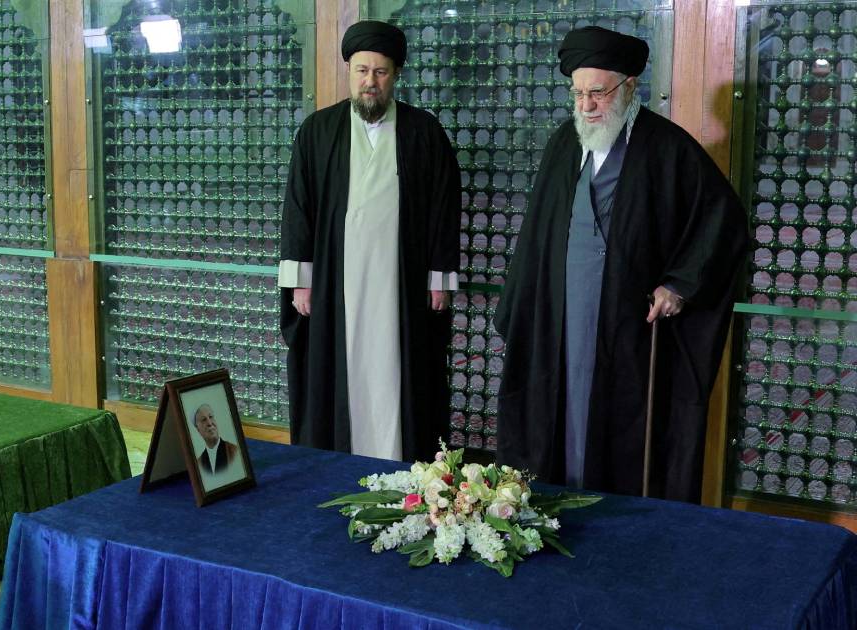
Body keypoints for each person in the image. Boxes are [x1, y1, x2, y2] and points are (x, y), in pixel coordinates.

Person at [494, 26, 747, 502]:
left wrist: (679, 285)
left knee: (621, 430)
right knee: (561, 410)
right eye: (578, 94)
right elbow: (535, 238)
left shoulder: (667, 147)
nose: (587, 105)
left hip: (629, 323)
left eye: (598, 93)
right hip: (562, 314)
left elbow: (723, 221)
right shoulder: (563, 144)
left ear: (630, 86)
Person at [279, 20, 463, 462]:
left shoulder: (424, 132)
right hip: (335, 285)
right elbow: (298, 208)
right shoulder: (318, 131)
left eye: (380, 72)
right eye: (362, 71)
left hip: (402, 285)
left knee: (403, 373)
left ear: (395, 74)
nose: (370, 82)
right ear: (349, 71)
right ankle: (336, 465)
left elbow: (444, 206)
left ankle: (404, 464)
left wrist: (439, 278)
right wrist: (300, 281)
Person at [192, 404, 239, 476]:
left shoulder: (234, 451)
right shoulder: (199, 463)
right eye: (204, 420)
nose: (210, 423)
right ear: (198, 429)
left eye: (211, 417)